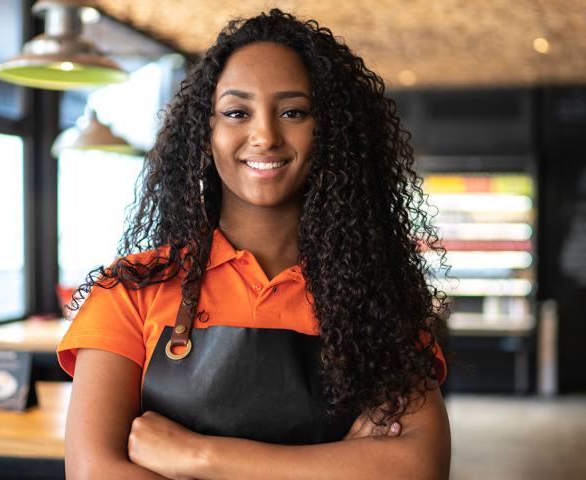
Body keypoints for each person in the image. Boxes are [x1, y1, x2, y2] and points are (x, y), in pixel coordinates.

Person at [57, 8, 450, 479]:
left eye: (293, 112)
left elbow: (418, 468)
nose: (264, 135)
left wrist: (199, 457)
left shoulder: (374, 302)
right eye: (237, 112)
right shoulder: (130, 291)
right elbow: (92, 473)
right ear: (207, 134)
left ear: (330, 135)